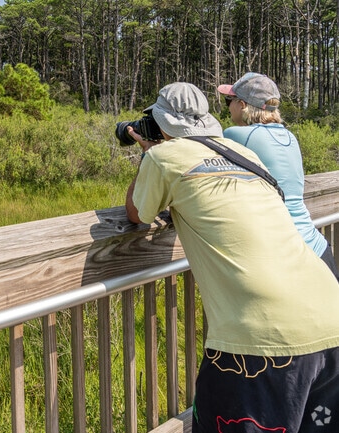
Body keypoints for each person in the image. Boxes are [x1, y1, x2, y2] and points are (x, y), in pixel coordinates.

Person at [124, 82, 339, 433]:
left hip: (262, 338)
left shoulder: (165, 157)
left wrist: (149, 153)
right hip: (330, 316)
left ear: (161, 124)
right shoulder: (243, 153)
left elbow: (137, 213)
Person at [217, 72, 339, 280]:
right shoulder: (289, 136)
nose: (227, 106)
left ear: (242, 104)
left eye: (229, 100)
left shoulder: (237, 135)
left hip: (290, 256)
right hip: (317, 248)